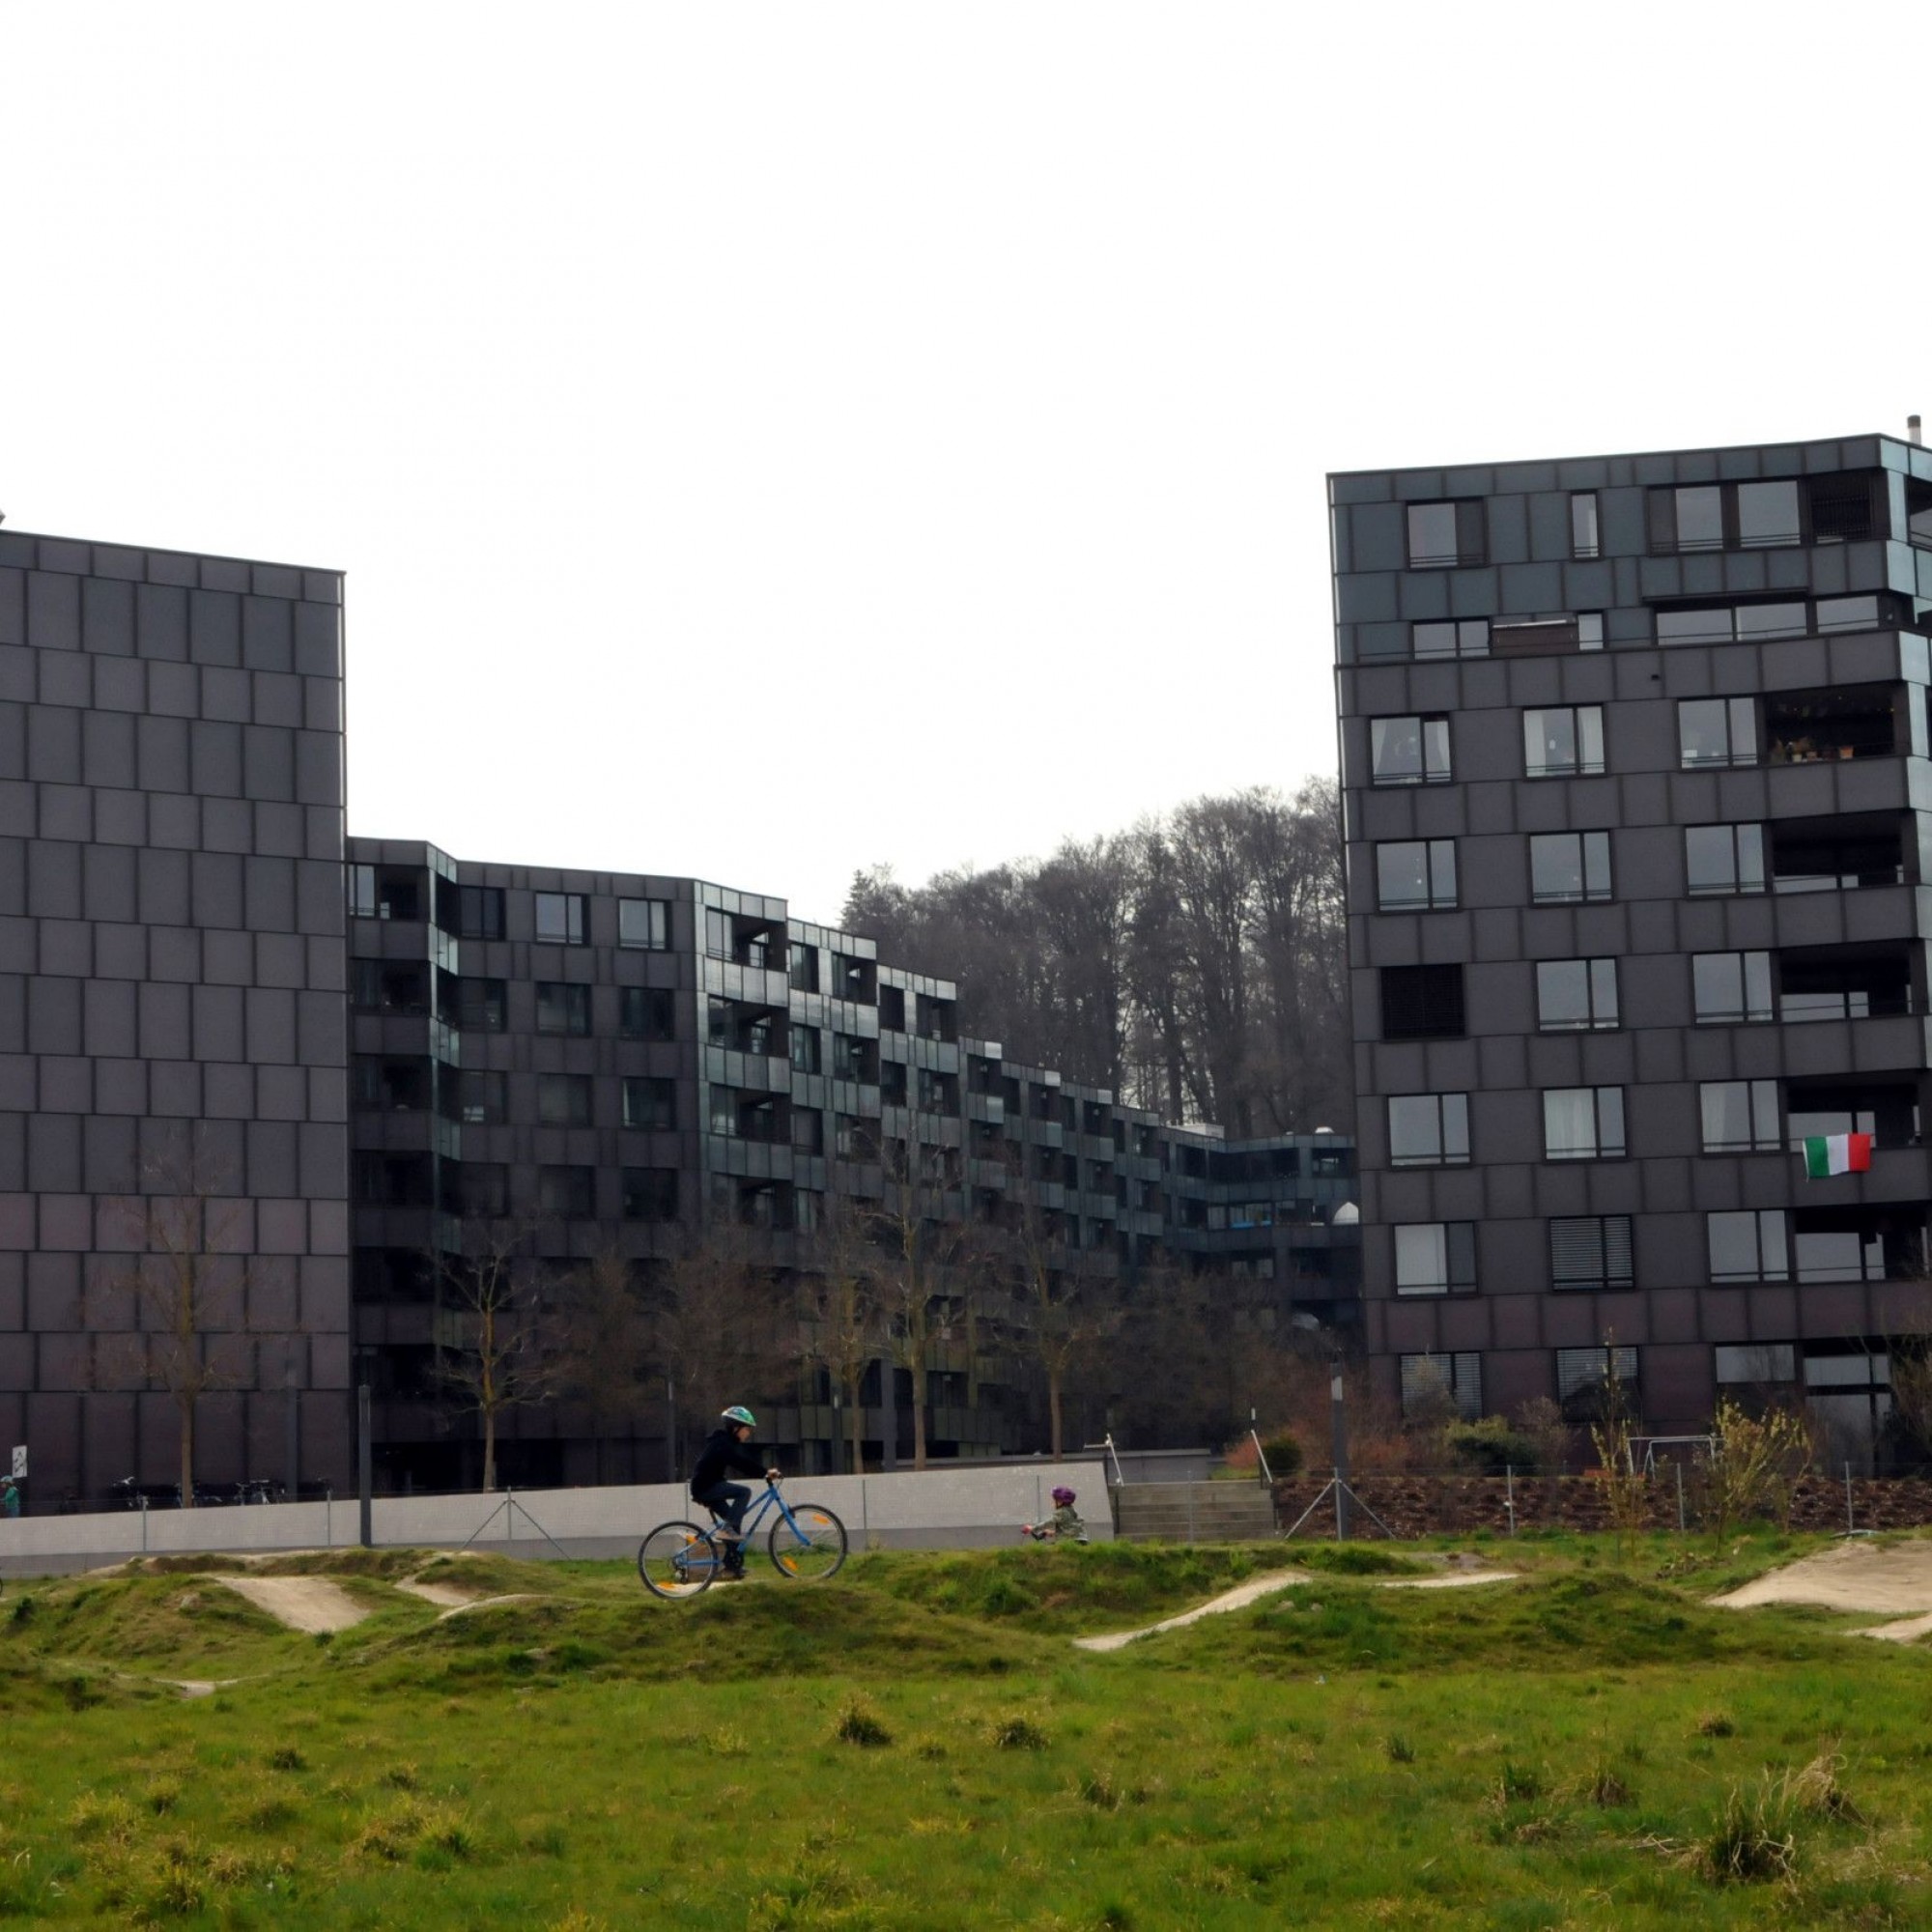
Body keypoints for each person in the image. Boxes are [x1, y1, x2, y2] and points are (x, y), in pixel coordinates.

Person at [691, 1406, 779, 1580]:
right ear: (735, 1427)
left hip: (709, 1485)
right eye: (747, 1429)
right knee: (743, 1493)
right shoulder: (723, 1444)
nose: (749, 1433)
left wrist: (763, 1472)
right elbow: (740, 1463)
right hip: (705, 1487)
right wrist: (764, 1472)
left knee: (733, 1523)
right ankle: (728, 1531)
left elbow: (744, 1461)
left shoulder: (726, 1442)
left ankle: (732, 1569)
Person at [1020, 1486, 1086, 1543]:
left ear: (1060, 1502)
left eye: (1054, 1501)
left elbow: (1049, 1522)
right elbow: (1071, 1529)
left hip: (1070, 1542)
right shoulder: (1073, 1511)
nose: (1053, 1503)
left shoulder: (1060, 1512)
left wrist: (1033, 1528)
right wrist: (1052, 1533)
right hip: (1082, 1540)